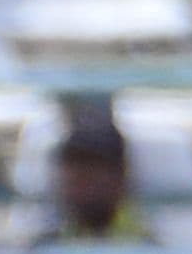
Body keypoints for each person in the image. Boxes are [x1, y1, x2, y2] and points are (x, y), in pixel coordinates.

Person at [33, 99, 151, 246]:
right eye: (76, 166)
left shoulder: (147, 250)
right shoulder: (44, 248)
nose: (84, 179)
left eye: (96, 167)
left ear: (121, 176)